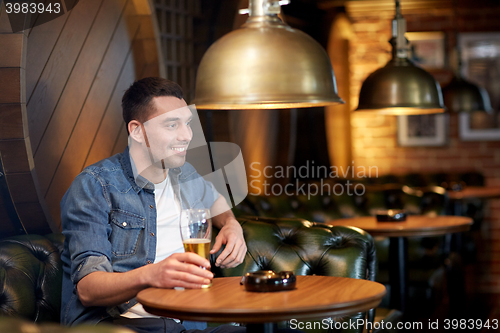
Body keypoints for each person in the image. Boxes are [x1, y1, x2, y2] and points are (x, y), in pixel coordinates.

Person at [60, 77, 247, 333]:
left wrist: (231, 224)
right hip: (121, 324)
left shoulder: (185, 174)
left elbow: (216, 201)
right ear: (137, 130)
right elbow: (88, 290)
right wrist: (152, 275)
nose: (187, 135)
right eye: (172, 124)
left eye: (188, 123)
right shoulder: (95, 185)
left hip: (189, 319)